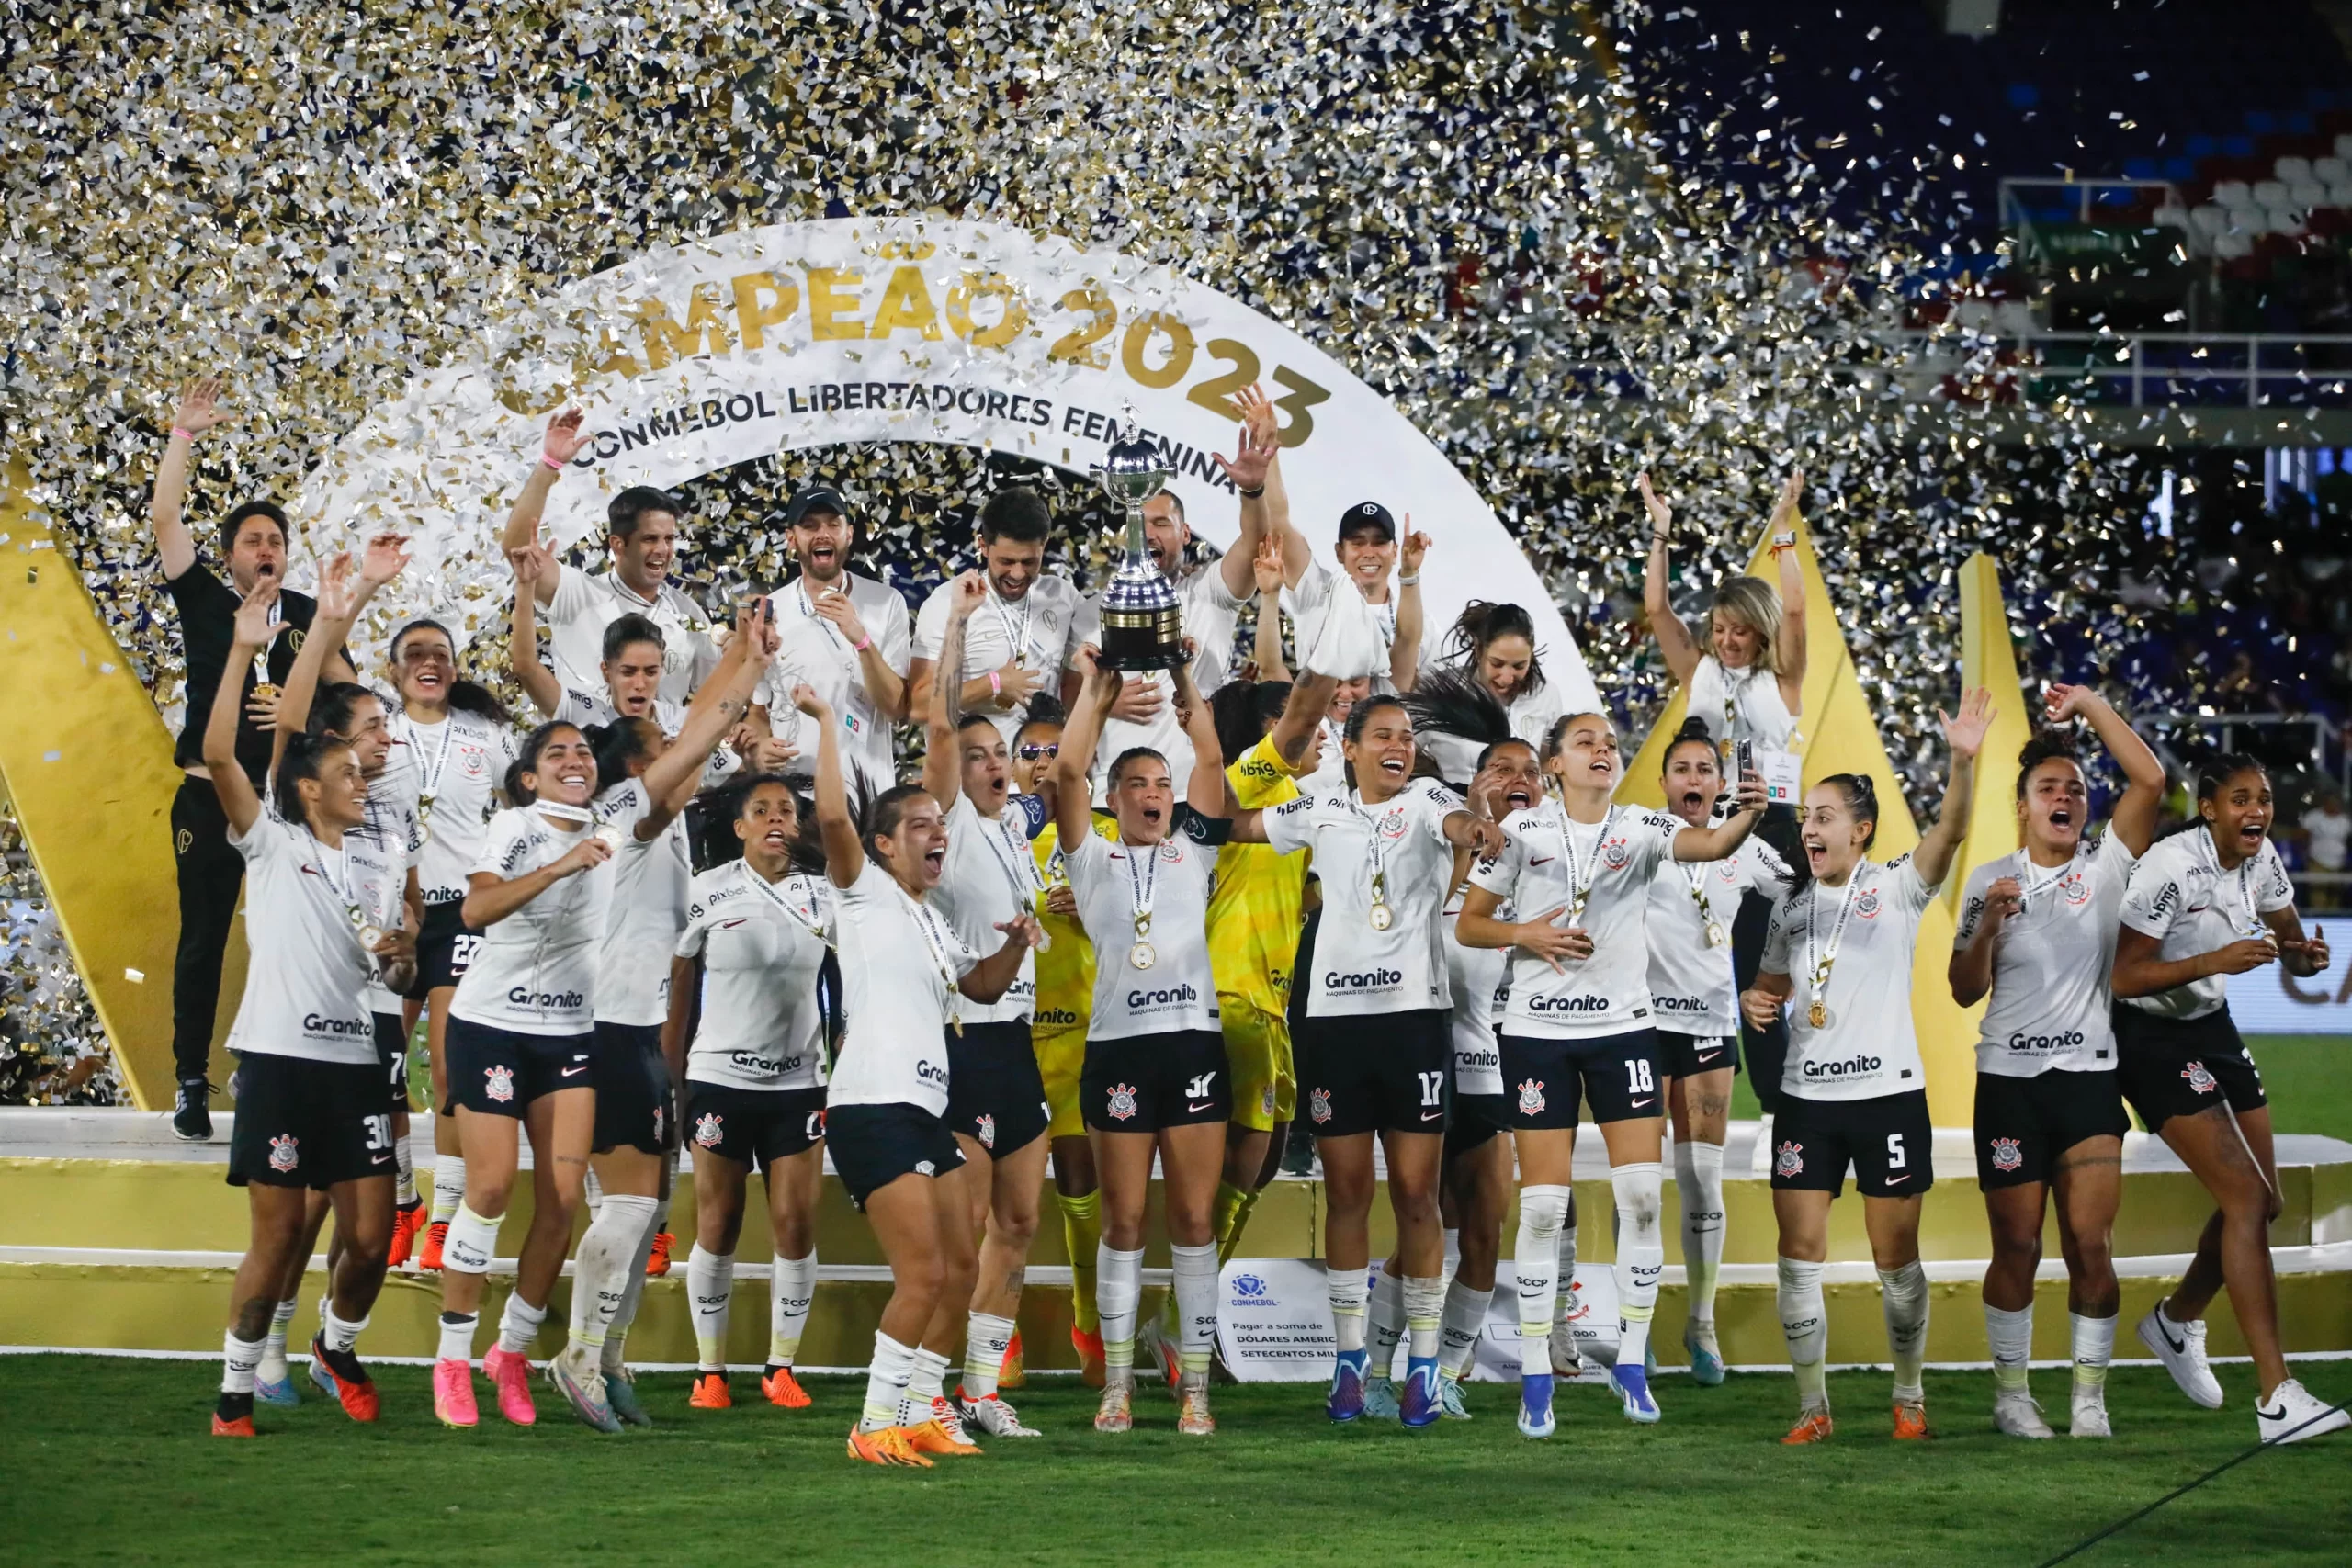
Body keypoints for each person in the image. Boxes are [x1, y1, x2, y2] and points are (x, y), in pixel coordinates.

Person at [429, 610, 769, 1432]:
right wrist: (740, 669)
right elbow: (692, 742)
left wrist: (743, 662)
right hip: (600, 1025)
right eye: (654, 758)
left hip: (633, 1025)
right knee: (610, 1205)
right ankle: (569, 1353)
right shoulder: (632, 820)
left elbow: (696, 736)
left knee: (640, 1207)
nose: (679, 764)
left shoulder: (647, 815)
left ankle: (589, 1356)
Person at [1459, 712, 1768, 1435]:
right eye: (1585, 743)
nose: (1603, 750)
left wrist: (1750, 809)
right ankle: (1537, 1369)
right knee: (1540, 1208)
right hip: (1537, 1035)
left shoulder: (1641, 828)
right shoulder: (1522, 834)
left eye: (1610, 743)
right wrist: (1524, 933)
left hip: (1624, 1031)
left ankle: (1631, 1361)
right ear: (1556, 764)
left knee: (1641, 1200)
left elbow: (1714, 842)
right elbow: (1472, 922)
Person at [1222, 693, 1507, 1427]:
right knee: (1347, 1192)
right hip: (1336, 1027)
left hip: (1413, 1023)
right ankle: (1349, 1364)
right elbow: (1231, 822)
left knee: (1417, 1195)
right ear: (1348, 748)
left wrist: (1476, 826)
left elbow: (1458, 823)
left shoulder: (1424, 800)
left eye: (1406, 736)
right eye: (1382, 734)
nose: (1399, 745)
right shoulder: (1315, 809)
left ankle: (1419, 1365)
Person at [1739, 690, 1995, 1445]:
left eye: (1825, 816)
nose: (1809, 827)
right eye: (1806, 817)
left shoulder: (1895, 886)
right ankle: (1811, 1406)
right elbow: (1772, 987)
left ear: (1862, 828)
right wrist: (1758, 1001)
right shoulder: (1788, 908)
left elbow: (1949, 831)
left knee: (1896, 1260)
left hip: (1888, 1097)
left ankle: (1908, 1397)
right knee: (1798, 1255)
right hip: (1806, 1101)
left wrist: (1962, 758)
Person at [808, 688, 1046, 1468]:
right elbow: (837, 818)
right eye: (919, 826)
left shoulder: (930, 917)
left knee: (958, 1270)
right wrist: (821, 724)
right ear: (883, 845)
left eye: (940, 827)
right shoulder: (863, 891)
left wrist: (1017, 942)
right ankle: (873, 1422)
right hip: (873, 1104)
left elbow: (978, 989)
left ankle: (916, 1409)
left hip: (923, 1105)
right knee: (922, 1274)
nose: (936, 835)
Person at [201, 579, 404, 1436]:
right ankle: (235, 1390)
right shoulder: (273, 842)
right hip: (282, 1060)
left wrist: (397, 967)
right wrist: (249, 645)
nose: (364, 779)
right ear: (310, 789)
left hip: (357, 1064)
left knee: (372, 1236)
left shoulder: (380, 859)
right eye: (349, 771)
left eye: (365, 768)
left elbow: (388, 966)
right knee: (280, 1238)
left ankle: (336, 1343)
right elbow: (222, 755)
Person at [1948, 685, 2163, 1439]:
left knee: (2090, 1242)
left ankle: (2088, 1400)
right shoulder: (1989, 882)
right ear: (2024, 806)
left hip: (2087, 1080)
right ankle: (2012, 1396)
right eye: (2049, 788)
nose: (2065, 796)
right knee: (2018, 1242)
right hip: (2007, 1083)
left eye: (2074, 788)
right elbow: (1962, 989)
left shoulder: (2107, 867)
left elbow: (2152, 783)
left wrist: (2095, 707)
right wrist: (1987, 928)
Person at [2111, 756, 2346, 1444]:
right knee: (2245, 1201)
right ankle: (2277, 1395)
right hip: (2148, 1035)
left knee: (2263, 1201)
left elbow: (2293, 940)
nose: (2258, 809)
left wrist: (2307, 954)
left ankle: (2176, 1320)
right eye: (2241, 798)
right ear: (2208, 807)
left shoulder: (2261, 857)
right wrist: (2214, 960)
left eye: (2265, 798)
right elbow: (2124, 975)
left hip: (2209, 1024)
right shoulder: (2167, 866)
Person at [245, 544, 425, 1407]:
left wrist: (409, 947)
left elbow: (410, 921)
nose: (384, 743)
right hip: (304, 1026)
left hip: (374, 1022)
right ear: (330, 757)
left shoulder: (392, 813)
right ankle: (270, 1343)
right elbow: (290, 726)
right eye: (368, 735)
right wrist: (338, 610)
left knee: (368, 1210)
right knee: (305, 1200)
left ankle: (332, 1344)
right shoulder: (311, 798)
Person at [152, 377, 351, 1140]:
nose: (265, 551)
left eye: (275, 541)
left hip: (285, 810)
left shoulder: (306, 616)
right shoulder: (203, 599)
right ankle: (190, 1081)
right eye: (251, 541)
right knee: (202, 935)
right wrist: (183, 436)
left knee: (291, 936)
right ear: (230, 555)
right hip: (209, 797)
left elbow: (346, 691)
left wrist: (300, 715)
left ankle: (276, 1061)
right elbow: (166, 517)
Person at [1052, 661, 1234, 1434]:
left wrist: (1189, 687)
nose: (1155, 793)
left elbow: (1215, 763)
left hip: (1192, 1044)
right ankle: (1118, 1386)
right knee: (1123, 1219)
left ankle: (1195, 1386)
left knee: (1194, 1217)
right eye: (1138, 784)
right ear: (1115, 797)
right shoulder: (1089, 857)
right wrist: (1094, 698)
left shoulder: (1195, 849)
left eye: (1163, 782)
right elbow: (1064, 768)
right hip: (1119, 1051)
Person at [1641, 468, 1808, 1168]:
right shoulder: (1702, 674)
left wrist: (1789, 534)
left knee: (1772, 971)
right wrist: (1660, 528)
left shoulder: (1783, 678)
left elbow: (1797, 616)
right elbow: (1657, 611)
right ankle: (1679, 1099)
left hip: (1774, 825)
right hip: (1713, 825)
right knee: (1715, 958)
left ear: (1760, 631)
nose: (1729, 640)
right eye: (1720, 629)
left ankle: (1780, 1106)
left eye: (1741, 630)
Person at [1370, 740, 1542, 1421]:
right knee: (1422, 1223)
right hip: (1420, 1058)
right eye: (1502, 770)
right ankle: (1377, 1371)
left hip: (1488, 1065)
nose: (1517, 781)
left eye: (1530, 770)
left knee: (1485, 1228)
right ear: (1473, 789)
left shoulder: (1543, 869)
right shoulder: (1427, 851)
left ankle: (1441, 1372)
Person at [921, 571, 1055, 1438]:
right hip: (961, 1036)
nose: (994, 762)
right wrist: (962, 626)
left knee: (1019, 1221)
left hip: (1017, 1043)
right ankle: (930, 1388)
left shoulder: (1012, 826)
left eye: (999, 752)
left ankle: (980, 1388)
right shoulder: (949, 822)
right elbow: (937, 720)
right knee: (963, 1233)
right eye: (978, 755)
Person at [1642, 718, 1792, 1386]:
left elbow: (1803, 901)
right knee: (1639, 1188)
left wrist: (1771, 983)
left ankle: (1700, 1325)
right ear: (1665, 780)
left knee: (1701, 1182)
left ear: (1722, 782)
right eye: (1683, 769)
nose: (1695, 780)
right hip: (1638, 1028)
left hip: (1707, 1026)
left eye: (1706, 770)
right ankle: (1632, 1328)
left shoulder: (1748, 848)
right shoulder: (1639, 836)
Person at [677, 770, 833, 1415]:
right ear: (738, 826)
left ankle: (780, 1366)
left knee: (795, 1224)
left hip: (800, 1081)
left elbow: (852, 983)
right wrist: (672, 1078)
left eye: (788, 811)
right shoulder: (705, 891)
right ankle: (709, 1370)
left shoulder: (826, 895)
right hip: (718, 1077)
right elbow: (678, 984)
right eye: (761, 810)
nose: (776, 819)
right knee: (719, 1221)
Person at [384, 615, 517, 1274]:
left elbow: (523, 800)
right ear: (393, 671)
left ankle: (443, 1218)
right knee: (379, 1068)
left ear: (455, 668)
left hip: (460, 915)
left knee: (444, 1070)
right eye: (415, 653)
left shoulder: (484, 735)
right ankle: (403, 1199)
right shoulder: (376, 732)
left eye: (441, 653)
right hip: (392, 919)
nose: (429, 661)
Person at [1073, 390, 1282, 798]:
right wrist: (1103, 702)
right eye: (1139, 521)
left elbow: (1256, 540)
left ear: (1185, 534)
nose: (1148, 533)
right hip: (1110, 798)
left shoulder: (1210, 594)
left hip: (1194, 792)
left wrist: (1254, 492)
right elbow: (1067, 698)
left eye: (1162, 524)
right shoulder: (1093, 612)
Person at [1012, 696, 1116, 1385]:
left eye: (1057, 751)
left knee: (1082, 1186)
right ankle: (1002, 1333)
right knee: (1007, 1199)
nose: (1043, 762)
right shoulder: (989, 833)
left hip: (1083, 1029)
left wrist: (1098, 905)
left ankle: (1088, 1320)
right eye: (1031, 752)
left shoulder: (1103, 835)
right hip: (1013, 1034)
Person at [503, 408, 719, 704]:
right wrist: (549, 466)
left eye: (669, 539)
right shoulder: (578, 592)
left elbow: (713, 697)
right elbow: (517, 549)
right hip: (585, 747)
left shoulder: (687, 614)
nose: (663, 550)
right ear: (618, 544)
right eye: (649, 539)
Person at [749, 485, 913, 799]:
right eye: (810, 526)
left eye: (832, 524)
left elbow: (897, 709)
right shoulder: (770, 610)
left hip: (867, 793)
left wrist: (862, 639)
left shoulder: (886, 602)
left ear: (848, 534)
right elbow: (758, 710)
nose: (822, 534)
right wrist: (759, 747)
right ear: (791, 539)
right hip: (796, 797)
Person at [910, 486, 1088, 744]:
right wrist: (993, 684)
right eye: (1006, 561)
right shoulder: (948, 603)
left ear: (1044, 545)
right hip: (972, 776)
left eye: (1029, 562)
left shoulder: (1062, 596)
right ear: (983, 546)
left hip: (1044, 772)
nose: (1017, 574)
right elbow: (917, 706)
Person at [1430, 602, 1567, 762]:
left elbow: (1548, 761)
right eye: (1497, 664)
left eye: (1519, 666)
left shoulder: (1546, 695)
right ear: (1478, 648)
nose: (1507, 678)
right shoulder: (1442, 689)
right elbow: (1410, 748)